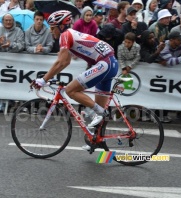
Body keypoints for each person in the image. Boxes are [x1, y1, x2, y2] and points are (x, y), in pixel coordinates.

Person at [31, 11, 118, 144]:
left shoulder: (65, 35)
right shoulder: (71, 34)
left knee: (71, 90)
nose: (50, 31)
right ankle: (97, 141)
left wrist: (43, 80)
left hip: (105, 63)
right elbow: (65, 61)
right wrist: (47, 78)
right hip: (110, 63)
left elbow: (61, 62)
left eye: (53, 27)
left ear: (61, 26)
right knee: (99, 114)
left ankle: (99, 113)